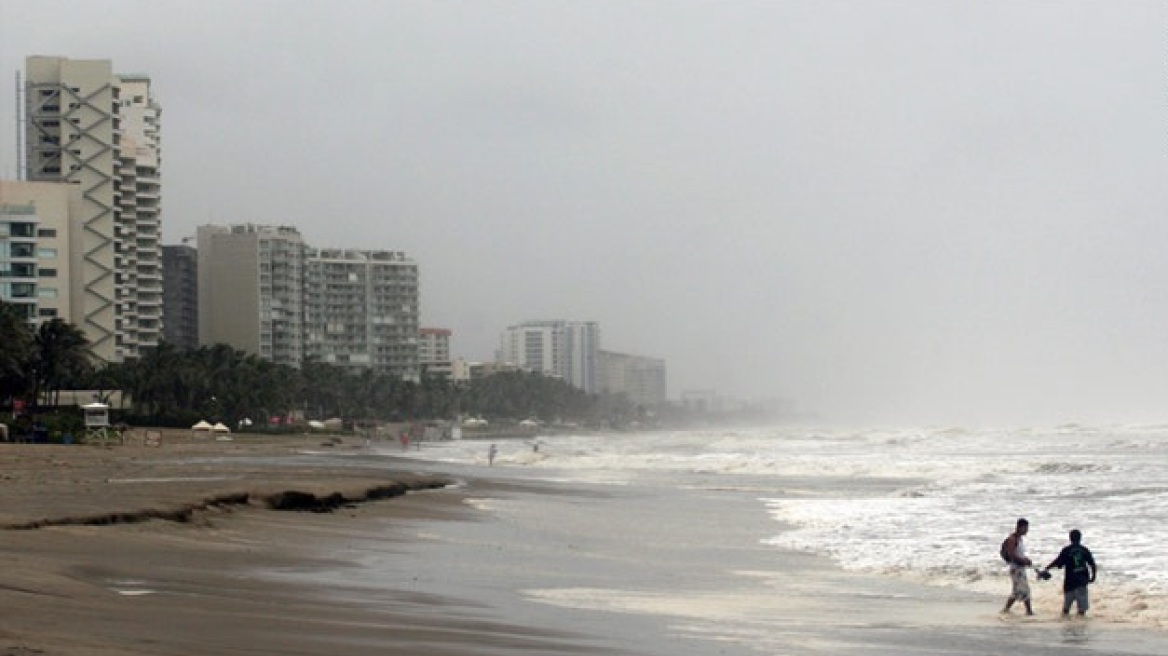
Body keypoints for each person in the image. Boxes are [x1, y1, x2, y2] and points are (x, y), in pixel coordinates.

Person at [1041, 529, 1097, 616]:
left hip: (1069, 582)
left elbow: (1057, 562)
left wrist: (1047, 568)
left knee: (1066, 608)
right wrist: (1093, 576)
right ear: (1080, 538)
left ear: (1070, 538)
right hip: (1081, 582)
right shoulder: (1084, 550)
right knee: (1082, 610)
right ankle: (1080, 626)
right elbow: (1092, 564)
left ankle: (1066, 624)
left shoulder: (1066, 550)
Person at [1001, 518, 1035, 615]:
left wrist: (1026, 559)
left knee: (1017, 592)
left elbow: (1018, 553)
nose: (1027, 530)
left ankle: (1006, 610)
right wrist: (1023, 561)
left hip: (1020, 568)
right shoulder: (1012, 539)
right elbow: (1011, 555)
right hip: (1016, 569)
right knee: (1025, 590)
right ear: (1020, 527)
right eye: (1026, 528)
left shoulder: (1019, 539)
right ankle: (1029, 611)